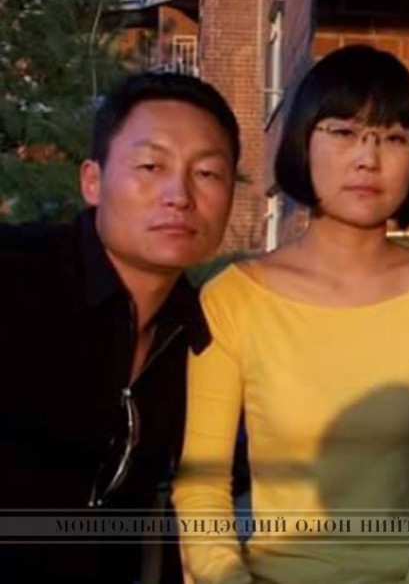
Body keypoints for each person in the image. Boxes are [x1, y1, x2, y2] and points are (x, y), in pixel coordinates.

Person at [172, 44, 409, 584]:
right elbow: (202, 484)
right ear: (303, 139)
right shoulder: (233, 298)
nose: (368, 158)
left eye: (395, 138)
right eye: (344, 132)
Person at [0, 72, 240, 583]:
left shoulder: (204, 332)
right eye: (151, 166)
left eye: (207, 173)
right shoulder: (18, 277)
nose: (179, 195)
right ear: (92, 181)